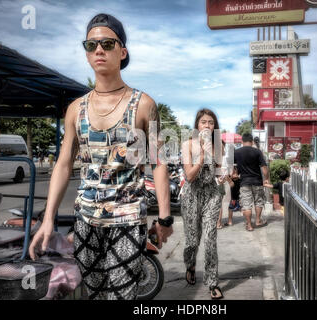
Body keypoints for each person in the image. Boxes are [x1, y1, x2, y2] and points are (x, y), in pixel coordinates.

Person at [29, 13, 173, 300]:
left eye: (107, 43)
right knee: (93, 294)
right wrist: (48, 219)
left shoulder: (143, 105)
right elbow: (64, 164)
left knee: (122, 295)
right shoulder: (75, 109)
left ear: (122, 52)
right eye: (91, 44)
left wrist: (165, 219)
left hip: (128, 219)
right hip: (85, 221)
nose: (98, 50)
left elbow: (157, 161)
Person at [181, 108, 225, 300]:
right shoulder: (187, 145)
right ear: (197, 126)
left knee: (209, 239)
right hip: (191, 195)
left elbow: (219, 171)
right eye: (203, 122)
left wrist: (224, 175)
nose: (207, 125)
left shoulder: (219, 145)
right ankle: (190, 265)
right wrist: (202, 156)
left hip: (212, 195)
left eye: (211, 123)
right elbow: (190, 177)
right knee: (192, 241)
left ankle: (212, 281)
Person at [234, 133, 271, 231]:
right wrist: (266, 178)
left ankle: (249, 225)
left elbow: (233, 168)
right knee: (258, 202)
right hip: (257, 181)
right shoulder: (257, 152)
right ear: (252, 141)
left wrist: (235, 174)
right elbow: (264, 168)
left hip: (244, 182)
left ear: (242, 141)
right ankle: (258, 221)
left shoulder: (236, 152)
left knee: (246, 204)